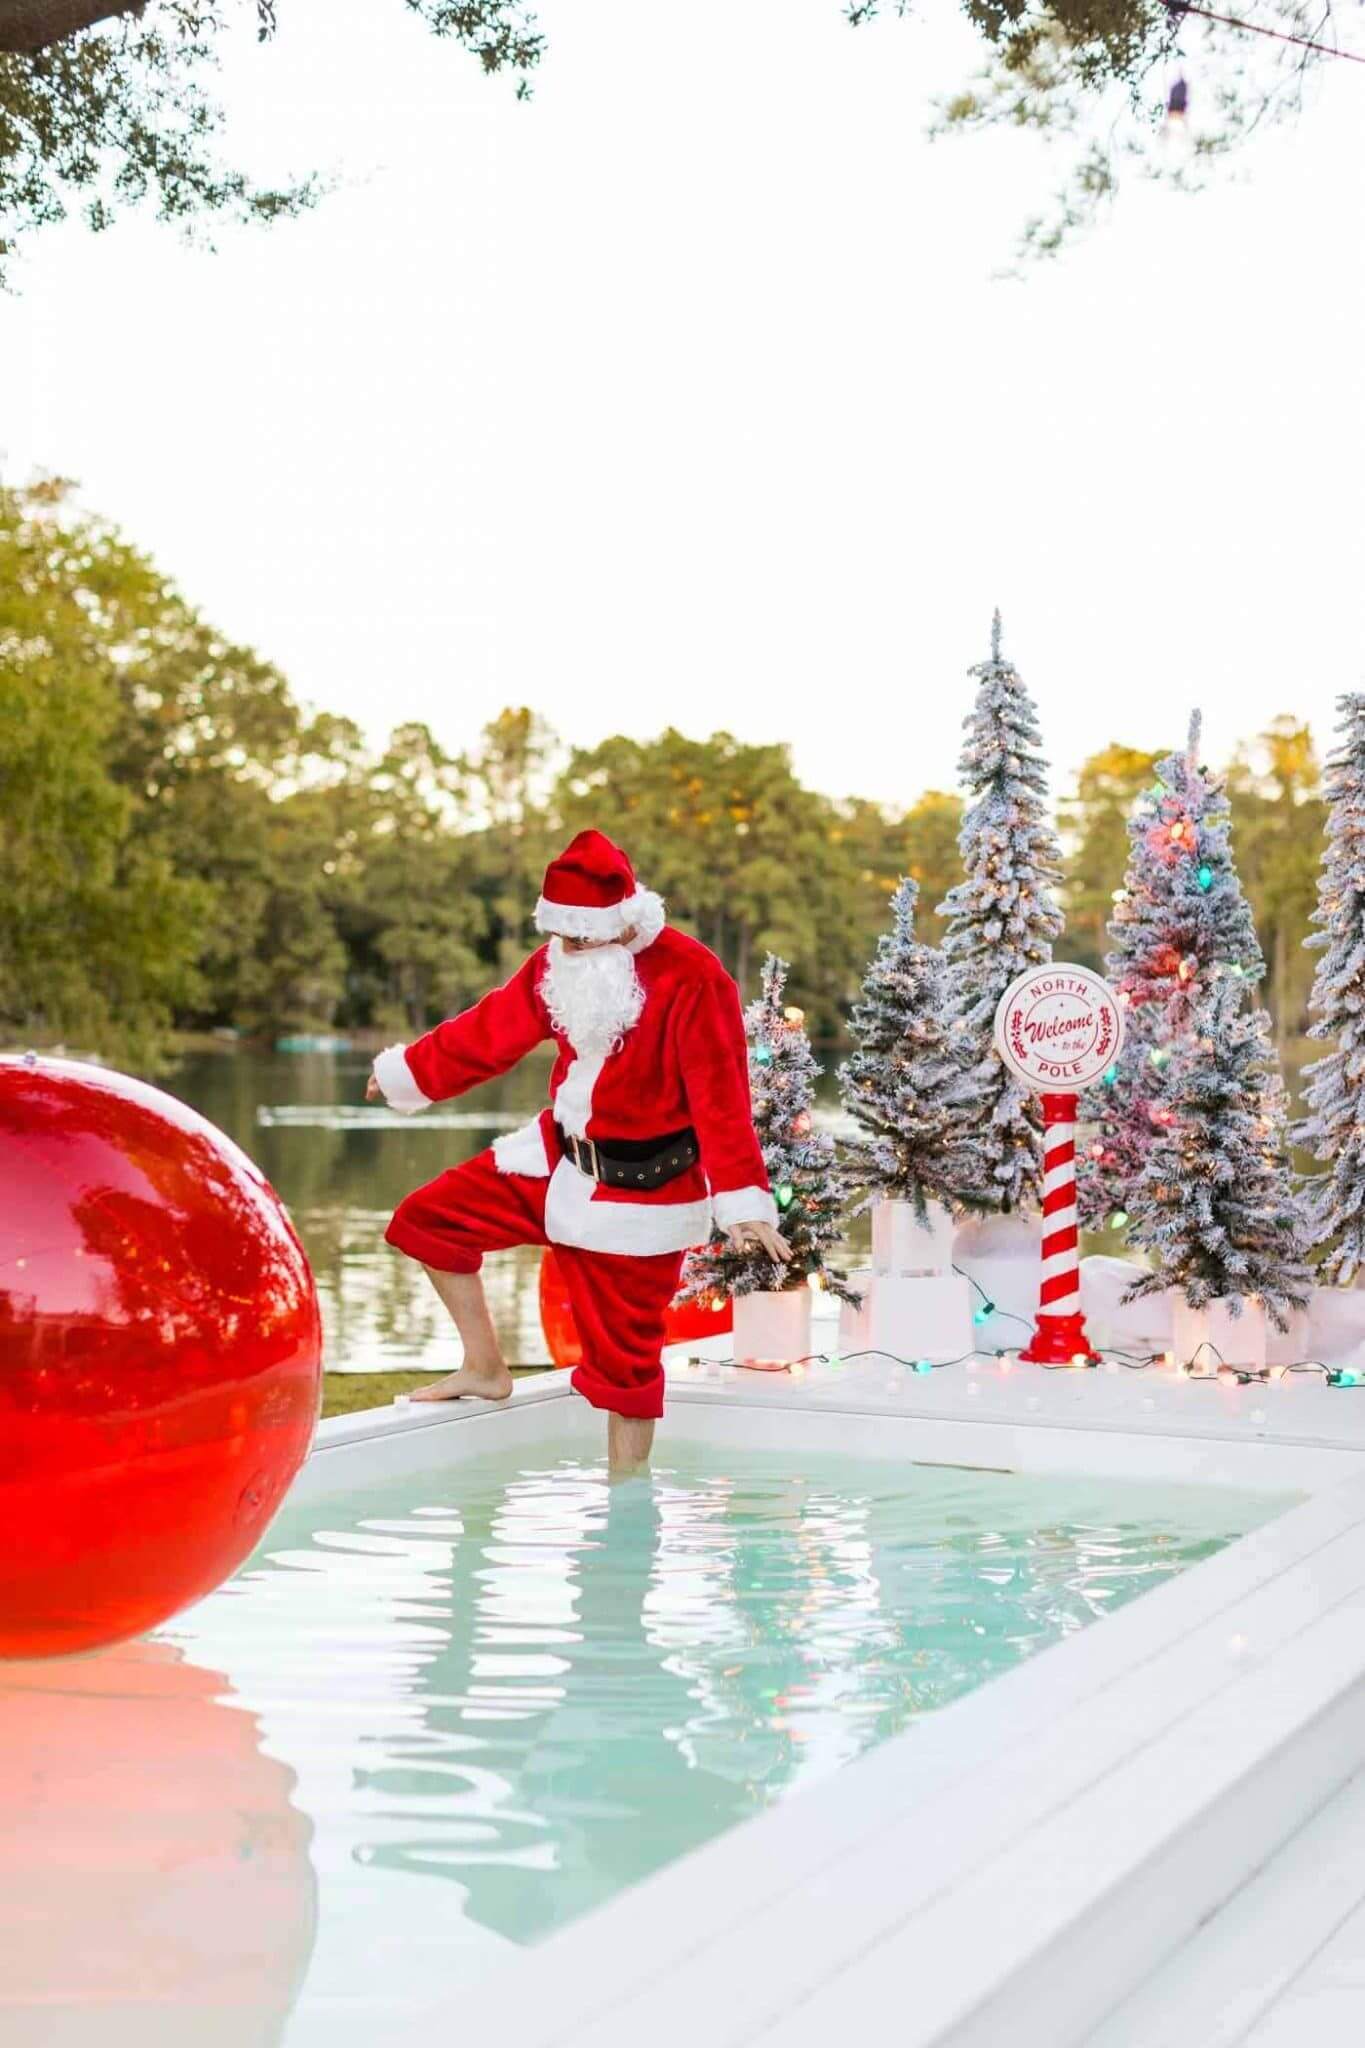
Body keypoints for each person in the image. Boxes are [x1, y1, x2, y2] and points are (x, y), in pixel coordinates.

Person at [367, 828, 791, 1471]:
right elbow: (489, 1032)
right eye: (561, 936)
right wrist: (410, 1074)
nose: (567, 950)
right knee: (428, 1221)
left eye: (582, 938)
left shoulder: (693, 976)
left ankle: (627, 1511)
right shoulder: (556, 963)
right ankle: (484, 1366)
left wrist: (743, 1201)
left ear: (622, 924)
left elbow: (721, 1095)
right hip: (553, 1160)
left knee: (627, 1374)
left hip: (640, 1194)